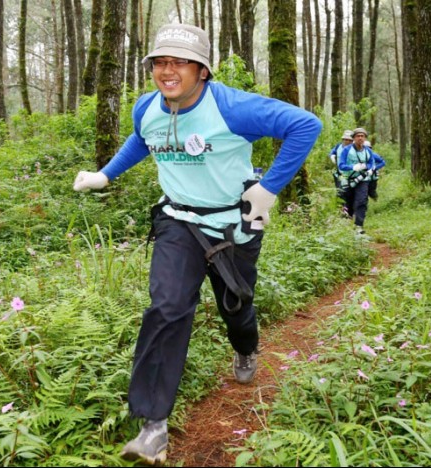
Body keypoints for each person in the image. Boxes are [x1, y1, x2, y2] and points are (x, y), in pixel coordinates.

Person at [73, 23, 322, 465]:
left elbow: (306, 125)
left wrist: (268, 189)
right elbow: (142, 139)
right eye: (160, 62)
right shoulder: (147, 106)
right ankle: (152, 426)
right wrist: (105, 175)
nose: (167, 71)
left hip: (234, 225)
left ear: (202, 70)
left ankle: (245, 348)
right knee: (166, 308)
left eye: (180, 63)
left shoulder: (232, 108)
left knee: (235, 306)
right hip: (179, 222)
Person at [337, 128, 385, 235]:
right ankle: (347, 221)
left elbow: (371, 163)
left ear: (365, 138)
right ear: (353, 138)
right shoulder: (347, 150)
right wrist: (353, 167)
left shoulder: (368, 151)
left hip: (363, 180)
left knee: (362, 200)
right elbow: (341, 165)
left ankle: (359, 225)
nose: (360, 138)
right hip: (348, 180)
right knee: (348, 202)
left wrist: (368, 168)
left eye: (362, 136)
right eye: (358, 136)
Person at [328, 130, 354, 215]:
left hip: (350, 174)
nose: (347, 141)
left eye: (349, 140)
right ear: (343, 139)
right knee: (340, 192)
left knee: (348, 192)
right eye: (345, 139)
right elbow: (332, 152)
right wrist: (332, 156)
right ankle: (342, 210)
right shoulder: (338, 146)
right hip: (339, 173)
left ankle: (349, 211)